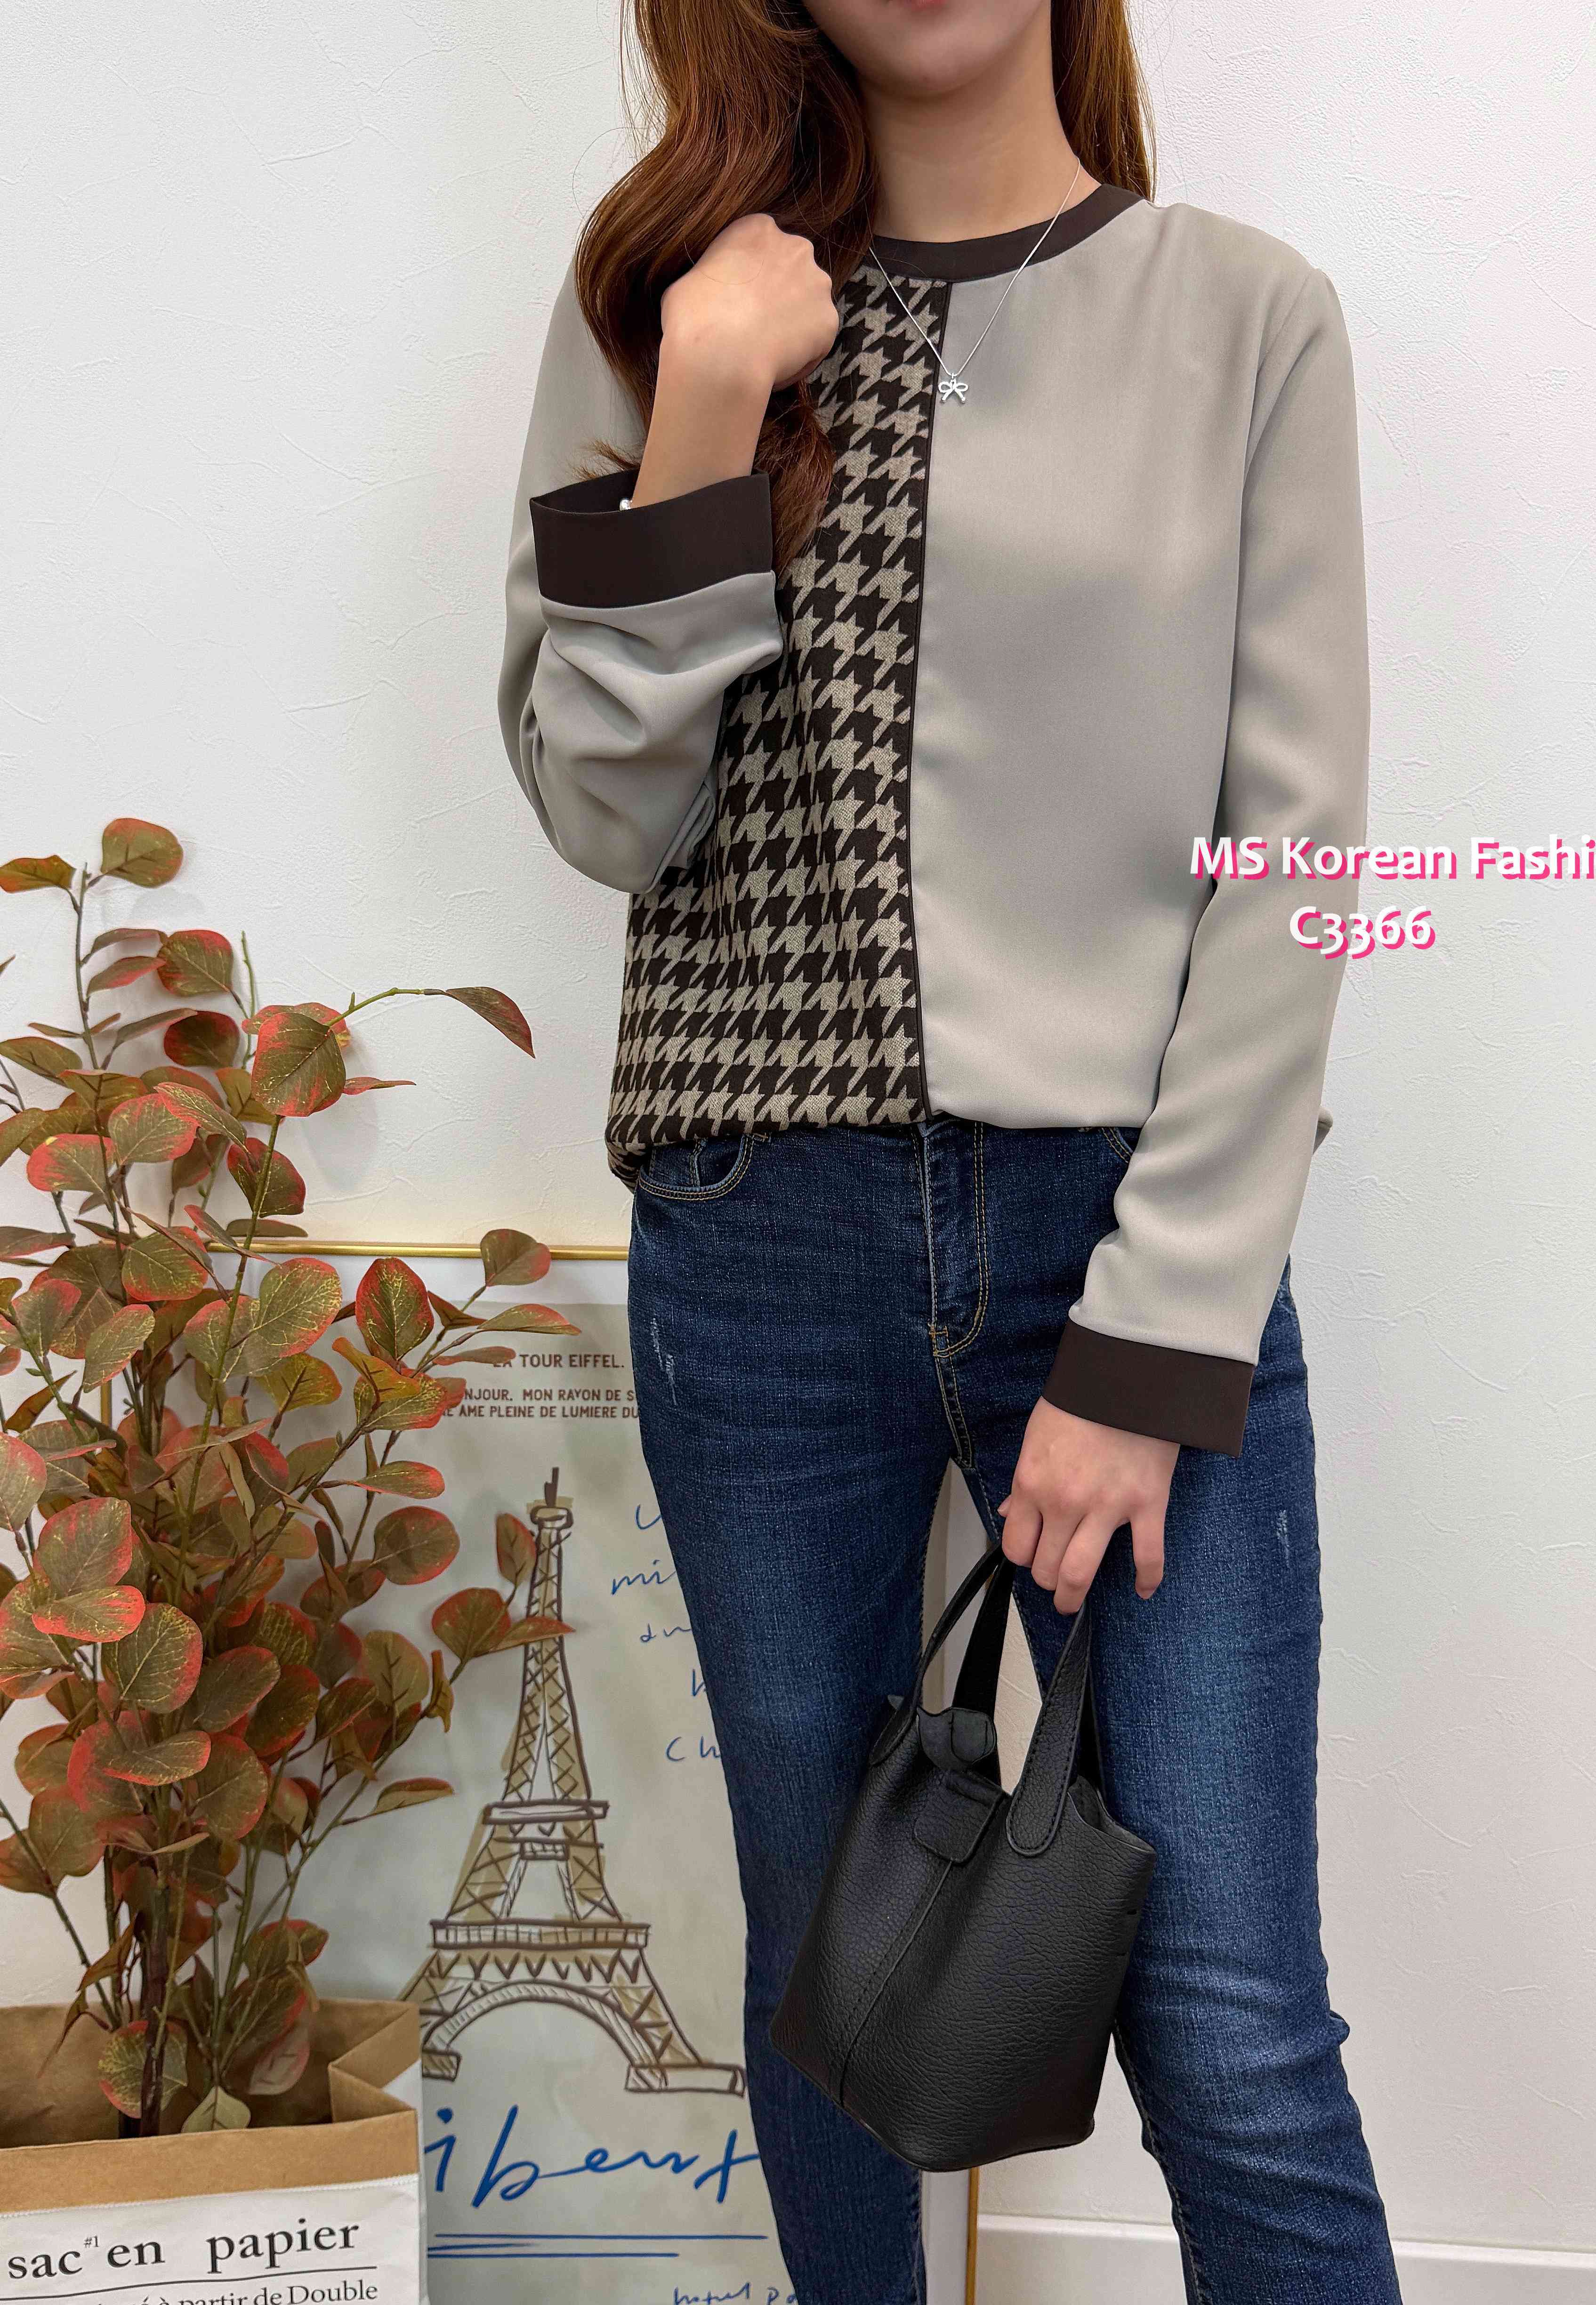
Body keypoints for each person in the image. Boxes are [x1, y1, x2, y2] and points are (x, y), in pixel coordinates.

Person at [497, 1, 1402, 2297]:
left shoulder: (1246, 317)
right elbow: (608, 807)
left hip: (1131, 1238)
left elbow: (1298, 866)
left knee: (1231, 2020)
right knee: (831, 1984)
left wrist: (1154, 1341)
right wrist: (710, 407)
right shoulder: (661, 305)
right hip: (755, 1232)